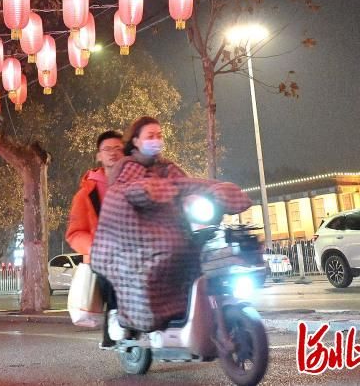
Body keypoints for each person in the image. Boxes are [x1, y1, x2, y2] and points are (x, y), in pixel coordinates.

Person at [90, 116, 252, 333]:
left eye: (159, 135)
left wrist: (214, 190)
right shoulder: (128, 167)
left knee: (209, 251)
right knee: (166, 255)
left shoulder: (166, 167)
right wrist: (147, 191)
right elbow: (125, 190)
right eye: (150, 136)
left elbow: (185, 183)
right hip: (141, 239)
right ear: (136, 141)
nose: (156, 140)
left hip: (175, 230)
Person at [65, 130, 123, 347]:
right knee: (113, 273)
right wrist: (97, 246)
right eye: (107, 149)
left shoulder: (136, 184)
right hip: (101, 257)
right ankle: (115, 319)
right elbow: (74, 233)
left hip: (135, 250)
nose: (113, 154)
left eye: (118, 149)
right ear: (99, 155)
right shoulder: (85, 195)